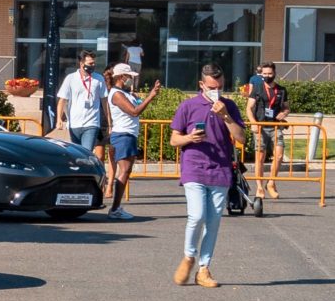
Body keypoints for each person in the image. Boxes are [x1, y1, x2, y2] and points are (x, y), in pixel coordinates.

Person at [170, 64, 246, 286]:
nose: (216, 91)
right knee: (197, 216)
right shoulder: (188, 106)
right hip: (194, 168)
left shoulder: (229, 106)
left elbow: (241, 138)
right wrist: (189, 138)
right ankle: (188, 257)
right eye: (212, 87)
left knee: (213, 222)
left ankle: (204, 269)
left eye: (220, 86)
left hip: (220, 170)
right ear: (201, 85)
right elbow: (174, 139)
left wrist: (225, 116)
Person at [104, 62, 159, 219]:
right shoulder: (117, 94)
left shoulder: (125, 93)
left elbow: (137, 107)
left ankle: (116, 208)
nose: (131, 79)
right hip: (123, 135)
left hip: (128, 134)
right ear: (121, 77)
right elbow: (134, 112)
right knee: (124, 171)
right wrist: (150, 96)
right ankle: (115, 209)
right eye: (129, 76)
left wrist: (141, 99)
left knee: (126, 171)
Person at [56, 50, 109, 168]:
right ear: (81, 63)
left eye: (94, 63)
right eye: (90, 63)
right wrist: (59, 118)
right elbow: (62, 100)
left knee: (86, 153)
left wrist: (110, 122)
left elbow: (104, 101)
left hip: (91, 123)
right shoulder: (71, 78)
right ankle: (79, 175)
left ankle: (86, 175)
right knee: (76, 155)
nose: (93, 66)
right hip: (74, 123)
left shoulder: (98, 79)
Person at [246, 60, 288, 200]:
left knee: (279, 155)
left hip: (275, 126)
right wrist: (253, 123)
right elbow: (249, 108)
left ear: (274, 73)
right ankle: (259, 186)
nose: (267, 76)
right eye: (264, 73)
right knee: (260, 157)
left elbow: (286, 107)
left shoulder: (281, 90)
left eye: (270, 73)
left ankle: (271, 182)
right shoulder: (257, 88)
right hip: (260, 126)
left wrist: (284, 113)